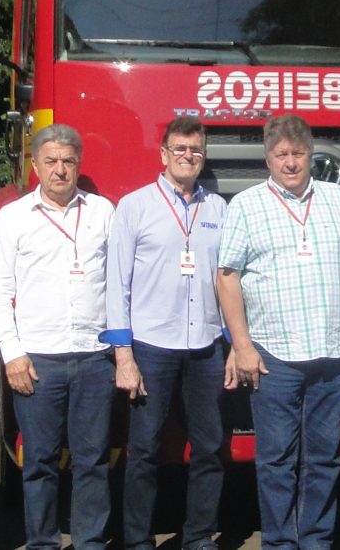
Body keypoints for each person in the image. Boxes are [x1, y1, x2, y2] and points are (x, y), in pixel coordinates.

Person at [218, 114, 340, 550]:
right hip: (274, 356)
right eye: (282, 155)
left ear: (310, 154)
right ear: (268, 158)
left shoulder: (336, 198)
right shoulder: (246, 205)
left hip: (331, 354)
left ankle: (316, 539)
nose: (291, 163)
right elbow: (226, 276)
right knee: (276, 461)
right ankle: (279, 542)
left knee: (324, 459)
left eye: (298, 153)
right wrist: (242, 346)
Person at [103, 116, 232, 550]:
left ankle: (198, 537)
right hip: (152, 347)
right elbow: (116, 282)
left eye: (195, 150)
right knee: (143, 451)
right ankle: (137, 540)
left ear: (203, 156)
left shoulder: (217, 209)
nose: (188, 156)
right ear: (163, 154)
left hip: (206, 348)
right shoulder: (135, 207)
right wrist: (124, 355)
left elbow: (228, 281)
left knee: (211, 448)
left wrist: (233, 344)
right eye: (179, 148)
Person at [0, 124, 115, 550]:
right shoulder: (14, 218)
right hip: (37, 361)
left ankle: (90, 541)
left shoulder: (102, 212)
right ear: (35, 166)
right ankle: (42, 543)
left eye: (68, 161)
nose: (60, 170)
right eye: (51, 161)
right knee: (39, 462)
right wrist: (13, 355)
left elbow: (118, 285)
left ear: (78, 164)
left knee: (93, 461)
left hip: (95, 358)